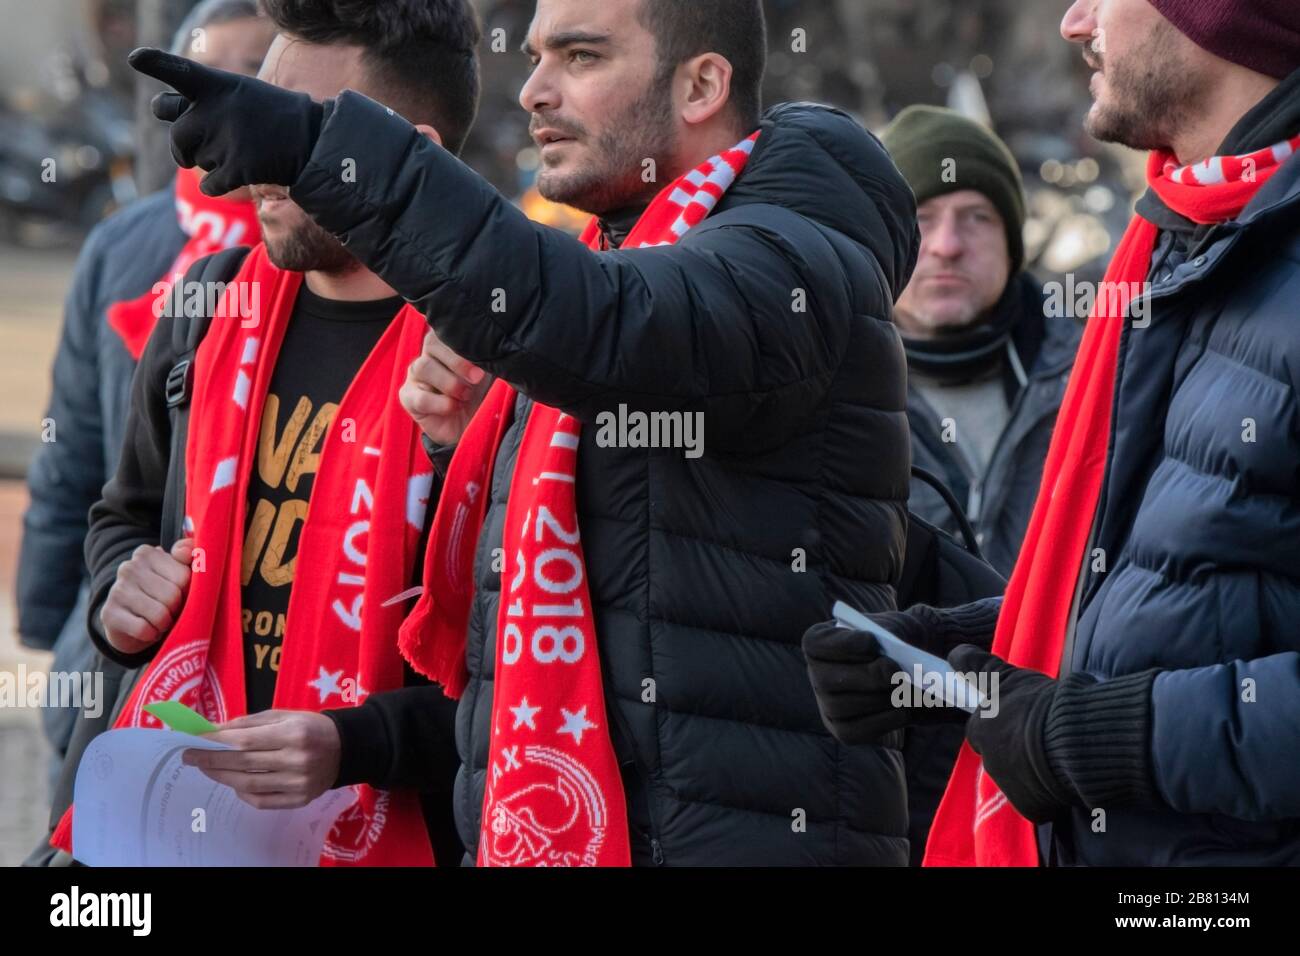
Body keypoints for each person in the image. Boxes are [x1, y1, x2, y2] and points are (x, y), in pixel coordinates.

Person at [130, 0, 922, 865]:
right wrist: (471, 444)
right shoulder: (620, 257)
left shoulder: (788, 258)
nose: (536, 91)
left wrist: (329, 153)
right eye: (539, 56)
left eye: (580, 57)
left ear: (701, 85)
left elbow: (615, 325)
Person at [805, 0, 1300, 867]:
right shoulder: (1183, 243)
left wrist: (1095, 734)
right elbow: (1194, 593)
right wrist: (956, 658)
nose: (1075, 22)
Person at [51, 0, 484, 867]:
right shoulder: (207, 305)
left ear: (415, 158)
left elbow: (526, 676)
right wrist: (115, 597)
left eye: (301, 131)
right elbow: (122, 517)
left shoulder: (491, 356)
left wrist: (357, 743)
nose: (257, 159)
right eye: (258, 115)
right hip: (160, 823)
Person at [15, 0, 274, 796]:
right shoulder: (124, 246)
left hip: (262, 655)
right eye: (199, 82)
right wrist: (47, 617)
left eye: (251, 79)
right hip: (119, 632)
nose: (220, 104)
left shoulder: (332, 252)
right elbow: (74, 458)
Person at [881, 106, 1081, 578]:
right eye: (921, 218)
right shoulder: (822, 391)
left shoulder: (1098, 381)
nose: (947, 245)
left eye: (976, 217)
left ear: (1013, 244)